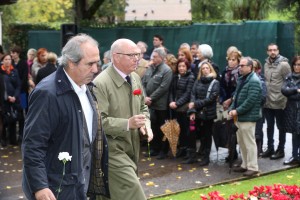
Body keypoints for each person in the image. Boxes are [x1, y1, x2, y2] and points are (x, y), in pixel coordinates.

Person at [22, 34, 109, 200]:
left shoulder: (86, 88)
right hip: (57, 188)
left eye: (96, 63)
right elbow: (33, 144)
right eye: (90, 64)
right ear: (70, 62)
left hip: (80, 184)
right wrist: (40, 186)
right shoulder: (47, 93)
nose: (96, 69)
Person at [93, 38, 153, 200]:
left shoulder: (134, 78)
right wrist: (128, 123)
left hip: (131, 146)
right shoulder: (100, 83)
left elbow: (143, 107)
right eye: (131, 55)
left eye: (138, 55)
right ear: (116, 56)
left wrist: (146, 124)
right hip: (110, 150)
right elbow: (97, 122)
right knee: (133, 192)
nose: (137, 59)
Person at [229, 57, 262, 177]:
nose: (240, 68)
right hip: (239, 116)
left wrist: (236, 111)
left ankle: (253, 167)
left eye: (242, 66)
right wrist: (231, 109)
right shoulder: (243, 79)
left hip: (248, 117)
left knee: (249, 143)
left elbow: (250, 101)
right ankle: (245, 164)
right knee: (242, 142)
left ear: (250, 67)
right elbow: (236, 96)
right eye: (240, 66)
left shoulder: (254, 80)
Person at [142, 47, 173, 159]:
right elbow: (143, 83)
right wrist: (145, 97)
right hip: (150, 103)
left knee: (163, 128)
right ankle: (155, 148)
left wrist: (151, 98)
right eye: (152, 56)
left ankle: (163, 151)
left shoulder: (167, 70)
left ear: (161, 58)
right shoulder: (149, 68)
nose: (152, 58)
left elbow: (163, 88)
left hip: (161, 105)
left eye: (155, 57)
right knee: (153, 127)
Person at [187, 62, 220, 166]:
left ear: (210, 70)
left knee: (206, 135)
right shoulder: (197, 81)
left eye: (207, 68)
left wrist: (195, 104)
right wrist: (192, 111)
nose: (205, 70)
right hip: (196, 112)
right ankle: (192, 156)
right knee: (191, 132)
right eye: (203, 68)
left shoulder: (215, 83)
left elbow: (211, 99)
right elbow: (193, 94)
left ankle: (206, 157)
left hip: (207, 113)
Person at [262, 43, 291, 159]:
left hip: (280, 101)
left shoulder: (284, 64)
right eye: (270, 50)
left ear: (278, 51)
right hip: (268, 101)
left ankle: (281, 150)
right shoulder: (266, 64)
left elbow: (289, 82)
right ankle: (270, 148)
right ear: (267, 52)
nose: (272, 52)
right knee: (269, 126)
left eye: (275, 50)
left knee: (281, 127)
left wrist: (284, 97)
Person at [169, 58, 195, 158]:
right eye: (179, 66)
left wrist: (177, 103)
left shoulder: (190, 77)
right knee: (179, 129)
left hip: (184, 107)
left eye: (183, 66)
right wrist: (171, 101)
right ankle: (182, 148)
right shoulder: (175, 76)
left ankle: (187, 150)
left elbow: (188, 93)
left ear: (187, 67)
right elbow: (171, 90)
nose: (181, 68)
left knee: (186, 129)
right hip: (175, 106)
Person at [281, 56, 300, 165]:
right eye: (295, 64)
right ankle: (294, 156)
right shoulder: (289, 77)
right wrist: (296, 90)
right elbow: (284, 90)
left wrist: (291, 93)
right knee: (294, 133)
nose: (297, 67)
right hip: (292, 109)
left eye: (299, 65)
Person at [0, 54, 21, 147]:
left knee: (13, 118)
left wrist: (15, 97)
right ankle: (3, 139)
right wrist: (7, 96)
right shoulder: (1, 72)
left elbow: (18, 85)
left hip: (14, 99)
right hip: (3, 99)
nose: (8, 61)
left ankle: (13, 139)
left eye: (9, 59)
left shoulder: (15, 71)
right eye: (6, 59)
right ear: (2, 61)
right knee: (4, 120)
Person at [10, 45, 29, 143]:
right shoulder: (11, 63)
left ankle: (21, 135)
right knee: (12, 112)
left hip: (22, 93)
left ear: (17, 53)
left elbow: (24, 78)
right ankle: (12, 137)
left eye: (13, 53)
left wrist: (18, 89)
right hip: (12, 93)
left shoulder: (24, 63)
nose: (11, 55)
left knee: (22, 113)